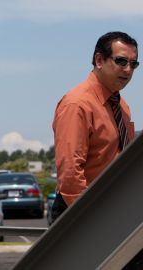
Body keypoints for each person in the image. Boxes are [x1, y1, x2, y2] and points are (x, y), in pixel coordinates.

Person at [51, 31, 138, 224]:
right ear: (99, 60)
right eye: (121, 61)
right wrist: (90, 219)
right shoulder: (77, 104)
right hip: (83, 212)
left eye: (134, 64)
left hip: (114, 209)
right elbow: (71, 173)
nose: (128, 70)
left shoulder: (121, 105)